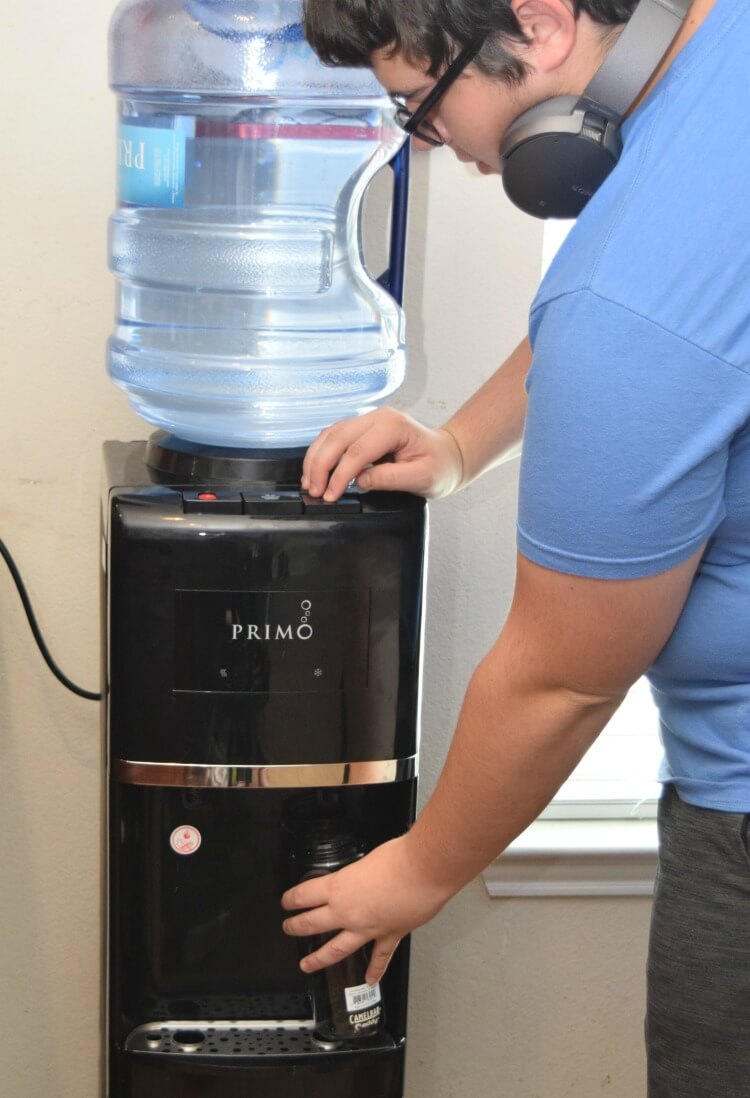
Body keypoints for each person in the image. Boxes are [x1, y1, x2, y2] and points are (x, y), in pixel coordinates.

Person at [280, 1, 750, 1093]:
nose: (451, 155)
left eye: (425, 113)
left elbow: (562, 678)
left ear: (536, 24)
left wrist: (418, 871)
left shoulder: (629, 297)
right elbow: (688, 315)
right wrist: (458, 445)